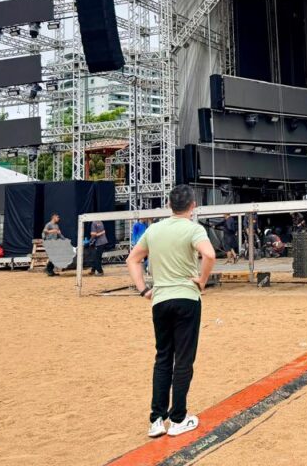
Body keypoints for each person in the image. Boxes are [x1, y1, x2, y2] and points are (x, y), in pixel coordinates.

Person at [126, 184, 215, 439]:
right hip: (186, 297)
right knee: (183, 359)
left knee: (163, 357)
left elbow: (132, 259)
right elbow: (209, 254)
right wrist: (202, 280)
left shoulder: (154, 229)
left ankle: (156, 420)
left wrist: (144, 289)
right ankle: (178, 419)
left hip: (160, 299)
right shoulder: (193, 229)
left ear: (168, 204)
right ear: (192, 206)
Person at [43, 212, 65, 276]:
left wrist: (64, 239)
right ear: (53, 217)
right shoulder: (49, 224)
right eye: (57, 217)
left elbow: (59, 234)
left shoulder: (56, 226)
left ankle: (49, 270)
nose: (58, 218)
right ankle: (48, 269)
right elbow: (44, 231)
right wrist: (52, 231)